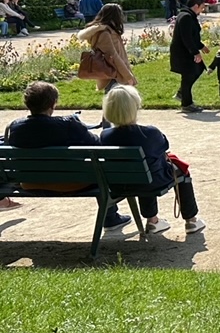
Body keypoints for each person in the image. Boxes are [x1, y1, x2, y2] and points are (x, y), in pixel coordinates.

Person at [1, 81, 128, 228]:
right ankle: (110, 218)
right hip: (71, 183)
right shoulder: (69, 124)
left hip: (29, 182)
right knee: (98, 171)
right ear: (53, 104)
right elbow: (97, 145)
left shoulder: (15, 127)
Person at [99, 85, 207, 235]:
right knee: (177, 171)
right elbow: (164, 147)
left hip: (120, 184)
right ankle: (191, 220)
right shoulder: (150, 133)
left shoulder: (105, 136)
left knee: (144, 170)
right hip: (151, 182)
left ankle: (153, 220)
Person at [76, 3, 138, 92]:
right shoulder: (105, 33)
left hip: (113, 73)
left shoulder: (108, 30)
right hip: (114, 74)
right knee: (118, 101)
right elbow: (113, 56)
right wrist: (128, 76)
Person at [169, 0, 209, 113]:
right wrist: (196, 52)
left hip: (186, 51)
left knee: (198, 69)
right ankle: (187, 103)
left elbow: (192, 36)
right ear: (196, 5)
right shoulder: (186, 17)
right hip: (183, 52)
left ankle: (182, 93)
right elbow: (186, 38)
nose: (202, 10)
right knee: (189, 75)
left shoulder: (189, 15)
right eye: (202, 7)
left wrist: (201, 46)